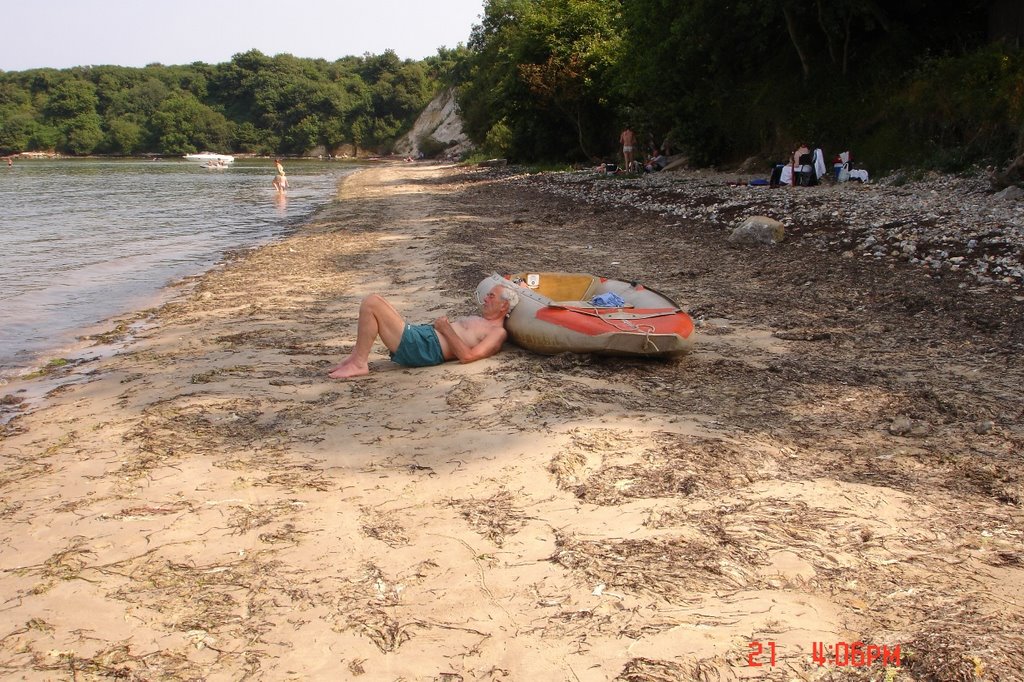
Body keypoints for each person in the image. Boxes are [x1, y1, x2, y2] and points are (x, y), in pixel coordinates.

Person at [327, 284, 519, 379]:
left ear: (504, 306)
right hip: (425, 336)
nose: (485, 299)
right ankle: (356, 358)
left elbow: (468, 356)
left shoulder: (497, 333)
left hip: (427, 348)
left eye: (491, 296)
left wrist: (445, 328)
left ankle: (360, 363)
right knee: (376, 301)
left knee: (372, 303)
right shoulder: (483, 321)